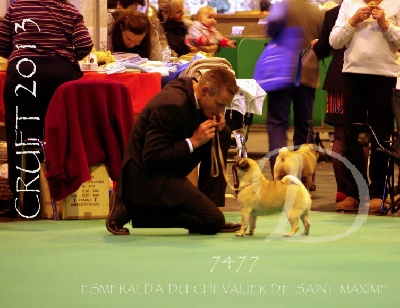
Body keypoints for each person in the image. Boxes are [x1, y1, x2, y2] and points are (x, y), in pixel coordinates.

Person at [106, 67, 241, 235]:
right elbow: (152, 158)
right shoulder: (171, 104)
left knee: (222, 133)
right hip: (145, 177)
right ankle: (131, 209)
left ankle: (209, 206)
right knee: (212, 222)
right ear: (204, 91)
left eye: (225, 107)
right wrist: (194, 141)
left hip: (168, 168)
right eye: (219, 105)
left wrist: (214, 126)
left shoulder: (192, 93)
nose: (221, 112)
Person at [0, 0, 93, 218]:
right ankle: (62, 199)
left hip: (23, 74)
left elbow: (2, 44)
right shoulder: (68, 9)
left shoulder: (17, 8)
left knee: (22, 139)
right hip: (59, 78)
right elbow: (84, 44)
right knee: (61, 136)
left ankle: (26, 204)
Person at [329, 0, 400, 212]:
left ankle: (379, 192)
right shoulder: (350, 3)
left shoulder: (395, 3)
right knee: (352, 135)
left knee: (381, 134)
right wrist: (353, 21)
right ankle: (355, 193)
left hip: (385, 76)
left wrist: (386, 25)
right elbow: (334, 41)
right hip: (352, 75)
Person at [254, 0, 323, 174]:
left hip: (281, 70)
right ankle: (304, 175)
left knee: (278, 123)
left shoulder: (282, 5)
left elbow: (273, 24)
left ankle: (280, 173)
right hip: (308, 71)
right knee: (304, 124)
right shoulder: (318, 11)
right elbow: (325, 43)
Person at [312, 1, 368, 206]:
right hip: (365, 81)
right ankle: (362, 189)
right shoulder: (374, 10)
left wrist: (315, 44)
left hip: (338, 80)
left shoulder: (332, 13)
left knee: (340, 136)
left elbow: (321, 49)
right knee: (362, 136)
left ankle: (343, 191)